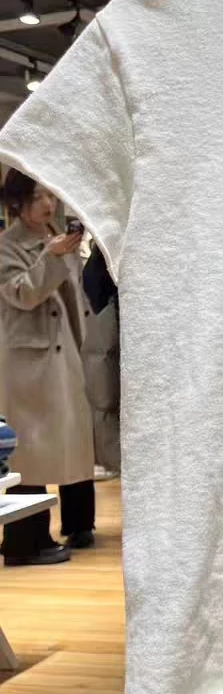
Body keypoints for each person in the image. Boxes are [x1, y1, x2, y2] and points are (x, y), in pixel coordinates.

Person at [0, 171, 96, 566]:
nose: (48, 204)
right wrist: (51, 257)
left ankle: (80, 524)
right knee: (30, 452)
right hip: (30, 361)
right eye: (39, 196)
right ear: (17, 202)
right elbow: (22, 293)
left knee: (73, 440)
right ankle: (25, 539)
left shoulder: (57, 236)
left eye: (51, 196)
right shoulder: (7, 245)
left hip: (65, 350)